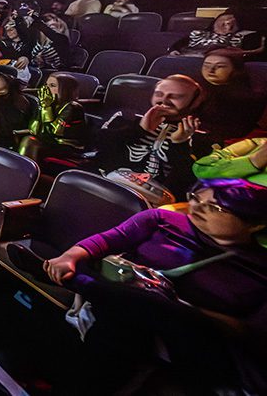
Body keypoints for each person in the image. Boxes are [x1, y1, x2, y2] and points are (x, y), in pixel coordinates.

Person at [33, 179, 267, 393]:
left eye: (215, 208)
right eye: (196, 198)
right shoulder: (162, 219)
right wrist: (70, 256)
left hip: (194, 333)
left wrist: (178, 308)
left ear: (254, 224)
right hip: (128, 310)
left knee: (141, 312)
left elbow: (249, 331)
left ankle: (88, 287)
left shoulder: (260, 267)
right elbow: (110, 238)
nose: (197, 208)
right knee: (124, 323)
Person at [96, 75, 205, 200]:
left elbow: (189, 181)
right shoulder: (127, 116)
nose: (164, 100)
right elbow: (98, 145)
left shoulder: (200, 134)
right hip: (106, 184)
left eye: (175, 96)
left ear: (194, 102)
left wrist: (179, 144)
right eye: (159, 94)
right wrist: (139, 130)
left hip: (158, 200)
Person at [195, 48, 266, 145]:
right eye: (206, 66)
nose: (211, 70)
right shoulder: (193, 86)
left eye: (220, 66)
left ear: (235, 69)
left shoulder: (248, 97)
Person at [18, 72, 87, 162]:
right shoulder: (49, 103)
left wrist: (46, 107)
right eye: (46, 85)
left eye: (52, 85)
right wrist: (42, 107)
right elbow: (34, 129)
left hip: (67, 145)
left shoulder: (72, 107)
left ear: (65, 89)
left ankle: (25, 172)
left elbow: (54, 131)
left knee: (29, 142)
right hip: (49, 141)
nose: (46, 89)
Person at [170, 11, 264, 57]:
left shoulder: (246, 37)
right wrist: (173, 51)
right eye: (224, 20)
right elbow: (176, 47)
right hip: (185, 60)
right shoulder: (197, 33)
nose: (227, 23)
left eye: (233, 23)